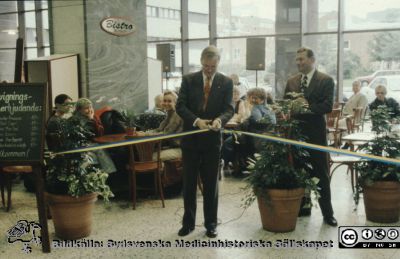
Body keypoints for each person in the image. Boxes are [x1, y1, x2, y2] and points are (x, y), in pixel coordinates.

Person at [176, 45, 234, 238]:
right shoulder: (188, 80)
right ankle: (188, 223)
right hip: (191, 139)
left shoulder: (226, 82)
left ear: (218, 64)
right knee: (189, 183)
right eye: (207, 66)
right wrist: (196, 121)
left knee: (211, 184)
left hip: (212, 140)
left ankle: (210, 224)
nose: (209, 70)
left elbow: (229, 109)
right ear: (201, 62)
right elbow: (180, 106)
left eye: (213, 67)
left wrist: (220, 120)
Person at [284, 47, 337, 227]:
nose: (298, 62)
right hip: (296, 135)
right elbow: (286, 105)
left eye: (302, 59)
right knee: (298, 172)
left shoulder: (326, 80)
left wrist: (307, 107)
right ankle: (300, 208)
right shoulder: (291, 81)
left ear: (312, 60)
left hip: (316, 136)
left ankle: (328, 214)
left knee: (321, 174)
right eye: (297, 60)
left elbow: (328, 106)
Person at [70, 98, 116, 174]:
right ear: (79, 110)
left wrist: (93, 120)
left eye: (90, 107)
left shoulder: (94, 117)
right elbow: (80, 135)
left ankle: (106, 174)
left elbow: (100, 134)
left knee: (101, 149)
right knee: (100, 150)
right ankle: (109, 173)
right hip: (80, 144)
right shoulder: (74, 119)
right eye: (86, 108)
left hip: (92, 143)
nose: (90, 110)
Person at [154, 90, 183, 161]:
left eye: (169, 101)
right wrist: (144, 133)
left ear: (175, 103)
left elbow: (165, 134)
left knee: (151, 157)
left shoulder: (177, 115)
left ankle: (164, 170)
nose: (166, 103)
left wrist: (145, 135)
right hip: (170, 146)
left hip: (179, 149)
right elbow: (158, 130)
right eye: (164, 101)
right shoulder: (169, 114)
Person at [338, 80, 368, 149]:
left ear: (360, 87)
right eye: (353, 85)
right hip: (347, 116)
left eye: (356, 85)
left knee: (339, 122)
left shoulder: (362, 96)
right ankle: (337, 141)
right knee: (335, 120)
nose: (354, 87)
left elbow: (361, 109)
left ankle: (347, 142)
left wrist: (350, 116)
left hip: (355, 118)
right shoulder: (352, 96)